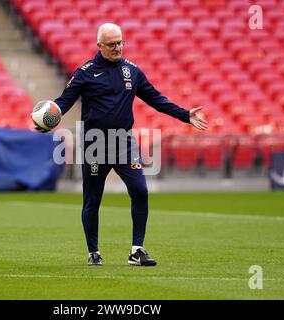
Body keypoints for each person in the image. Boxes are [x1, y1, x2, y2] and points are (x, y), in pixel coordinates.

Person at [36, 23, 208, 266]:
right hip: (94, 145)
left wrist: (185, 115)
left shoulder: (132, 71)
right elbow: (63, 102)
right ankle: (93, 252)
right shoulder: (85, 72)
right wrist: (48, 120)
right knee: (92, 200)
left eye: (120, 42)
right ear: (100, 46)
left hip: (124, 143)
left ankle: (137, 251)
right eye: (112, 44)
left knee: (140, 191)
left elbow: (156, 99)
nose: (118, 48)